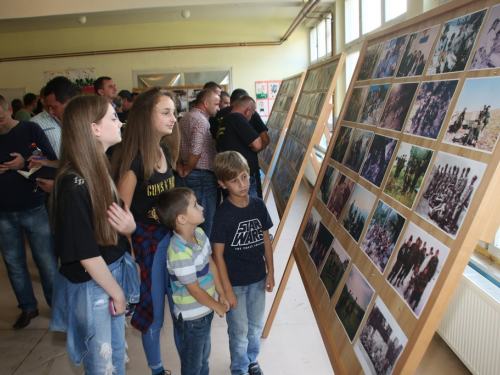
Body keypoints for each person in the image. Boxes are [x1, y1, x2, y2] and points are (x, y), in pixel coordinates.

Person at [49, 95, 139, 374]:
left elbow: (114, 226)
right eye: (113, 117)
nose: (120, 121)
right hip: (95, 285)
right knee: (102, 364)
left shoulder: (99, 167)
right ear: (94, 129)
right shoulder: (74, 183)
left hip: (109, 276)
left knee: (115, 356)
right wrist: (119, 295)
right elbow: (86, 254)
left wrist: (130, 229)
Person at [111, 87, 180, 375]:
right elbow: (119, 218)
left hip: (172, 241)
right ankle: (157, 369)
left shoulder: (164, 151)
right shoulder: (134, 162)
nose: (173, 118)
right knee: (153, 316)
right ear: (144, 117)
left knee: (181, 310)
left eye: (174, 112)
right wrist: (133, 262)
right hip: (145, 249)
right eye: (165, 112)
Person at [211, 151, 275, 375]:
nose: (242, 184)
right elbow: (217, 256)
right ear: (222, 183)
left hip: (258, 279)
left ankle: (251, 360)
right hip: (235, 284)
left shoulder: (258, 205)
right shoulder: (222, 214)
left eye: (245, 176)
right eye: (234, 180)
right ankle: (239, 368)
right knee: (239, 331)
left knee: (255, 327)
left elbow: (266, 240)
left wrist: (271, 273)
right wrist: (227, 290)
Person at [155, 187, 229, 375]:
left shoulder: (200, 234)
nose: (202, 207)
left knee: (204, 358)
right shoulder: (179, 251)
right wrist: (217, 306)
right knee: (192, 366)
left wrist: (221, 293)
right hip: (191, 319)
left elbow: (211, 265)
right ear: (182, 219)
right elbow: (194, 289)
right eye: (195, 205)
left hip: (205, 312)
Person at [0, 95, 58, 329]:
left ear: (8, 110)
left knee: (46, 261)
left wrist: (24, 162)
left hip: (32, 206)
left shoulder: (30, 129)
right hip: (3, 212)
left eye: (0, 118)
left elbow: (53, 161)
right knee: (13, 263)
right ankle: (27, 307)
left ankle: (58, 307)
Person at [176, 89, 220, 238]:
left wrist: (181, 165)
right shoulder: (201, 121)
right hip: (202, 176)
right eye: (216, 104)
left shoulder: (185, 118)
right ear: (206, 103)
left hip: (189, 174)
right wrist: (188, 168)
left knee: (190, 221)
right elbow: (196, 149)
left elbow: (177, 145)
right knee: (206, 222)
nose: (218, 108)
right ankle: (207, 259)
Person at [217, 95, 262, 197]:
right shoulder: (236, 117)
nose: (251, 117)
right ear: (247, 110)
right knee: (251, 210)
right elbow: (258, 144)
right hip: (242, 178)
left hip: (232, 177)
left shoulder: (225, 120)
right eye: (252, 113)